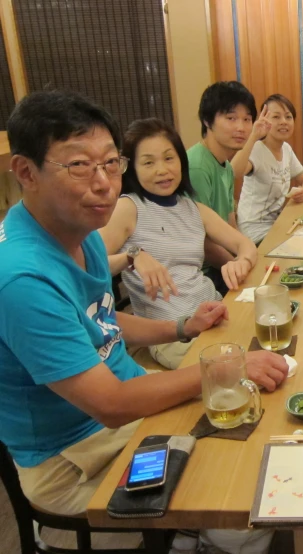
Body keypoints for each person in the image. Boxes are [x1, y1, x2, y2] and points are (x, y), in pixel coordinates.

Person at [0, 91, 288, 554]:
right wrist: (223, 369)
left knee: (254, 433)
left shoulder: (77, 234)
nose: (103, 183)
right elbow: (110, 404)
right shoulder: (20, 277)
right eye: (79, 166)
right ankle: (190, 535)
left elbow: (104, 322)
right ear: (26, 171)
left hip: (125, 421)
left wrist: (181, 329)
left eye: (110, 163)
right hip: (76, 457)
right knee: (243, 499)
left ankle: (191, 532)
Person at [99, 118, 260, 371]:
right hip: (171, 335)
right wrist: (132, 256)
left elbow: (245, 244)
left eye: (169, 158)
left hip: (216, 314)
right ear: (132, 168)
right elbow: (85, 265)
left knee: (278, 340)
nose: (162, 170)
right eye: (148, 162)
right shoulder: (128, 208)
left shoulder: (192, 207)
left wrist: (241, 262)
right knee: (241, 373)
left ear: (181, 162)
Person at [188, 81, 257, 294]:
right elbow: (202, 242)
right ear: (207, 121)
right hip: (200, 272)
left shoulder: (225, 165)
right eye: (231, 118)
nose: (241, 127)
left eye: (247, 119)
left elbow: (230, 223)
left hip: (222, 264)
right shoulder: (197, 166)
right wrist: (241, 270)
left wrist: (244, 260)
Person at [236, 94, 303, 244]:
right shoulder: (257, 149)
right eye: (276, 117)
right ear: (264, 120)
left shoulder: (286, 149)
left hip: (277, 223)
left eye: (288, 117)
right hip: (254, 230)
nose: (283, 122)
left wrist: (302, 192)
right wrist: (253, 136)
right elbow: (235, 172)